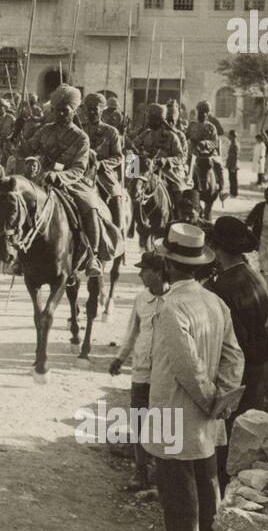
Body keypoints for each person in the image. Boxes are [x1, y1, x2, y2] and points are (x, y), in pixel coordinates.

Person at [145, 223, 243, 531]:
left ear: (169, 265)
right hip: (209, 412)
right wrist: (223, 399)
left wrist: (208, 399)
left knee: (176, 487)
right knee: (206, 481)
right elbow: (234, 356)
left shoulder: (172, 306)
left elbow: (186, 365)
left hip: (176, 408)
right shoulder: (215, 302)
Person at [205, 216, 268, 490]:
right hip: (261, 362)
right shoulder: (256, 277)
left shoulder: (221, 288)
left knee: (223, 435)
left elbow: (222, 340)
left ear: (217, 248)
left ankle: (217, 489)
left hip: (238, 370)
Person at [27, 84, 117, 277]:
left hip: (80, 178)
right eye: (57, 110)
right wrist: (24, 134)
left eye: (64, 110)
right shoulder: (45, 130)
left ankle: (96, 252)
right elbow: (29, 148)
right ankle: (22, 251)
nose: (60, 114)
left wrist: (106, 166)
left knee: (103, 200)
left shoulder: (96, 134)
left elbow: (81, 168)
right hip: (44, 177)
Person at [108, 251, 167, 492]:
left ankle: (163, 474)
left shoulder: (173, 298)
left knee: (165, 421)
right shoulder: (141, 299)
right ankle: (140, 471)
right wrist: (120, 358)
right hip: (141, 370)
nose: (140, 274)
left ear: (158, 272)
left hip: (165, 372)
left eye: (145, 270)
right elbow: (132, 332)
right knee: (139, 419)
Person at [81, 92, 126, 232]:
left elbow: (119, 157)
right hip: (79, 170)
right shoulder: (78, 129)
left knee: (115, 193)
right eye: (89, 108)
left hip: (102, 173)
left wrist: (102, 164)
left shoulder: (111, 132)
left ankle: (118, 232)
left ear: (102, 110)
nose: (92, 112)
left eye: (95, 108)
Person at [225, 131, 239, 197]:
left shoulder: (235, 144)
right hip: (231, 164)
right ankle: (232, 192)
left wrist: (234, 166)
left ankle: (234, 193)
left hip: (233, 164)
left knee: (233, 179)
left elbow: (235, 156)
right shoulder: (232, 143)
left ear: (232, 136)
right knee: (231, 178)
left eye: (229, 135)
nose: (228, 137)